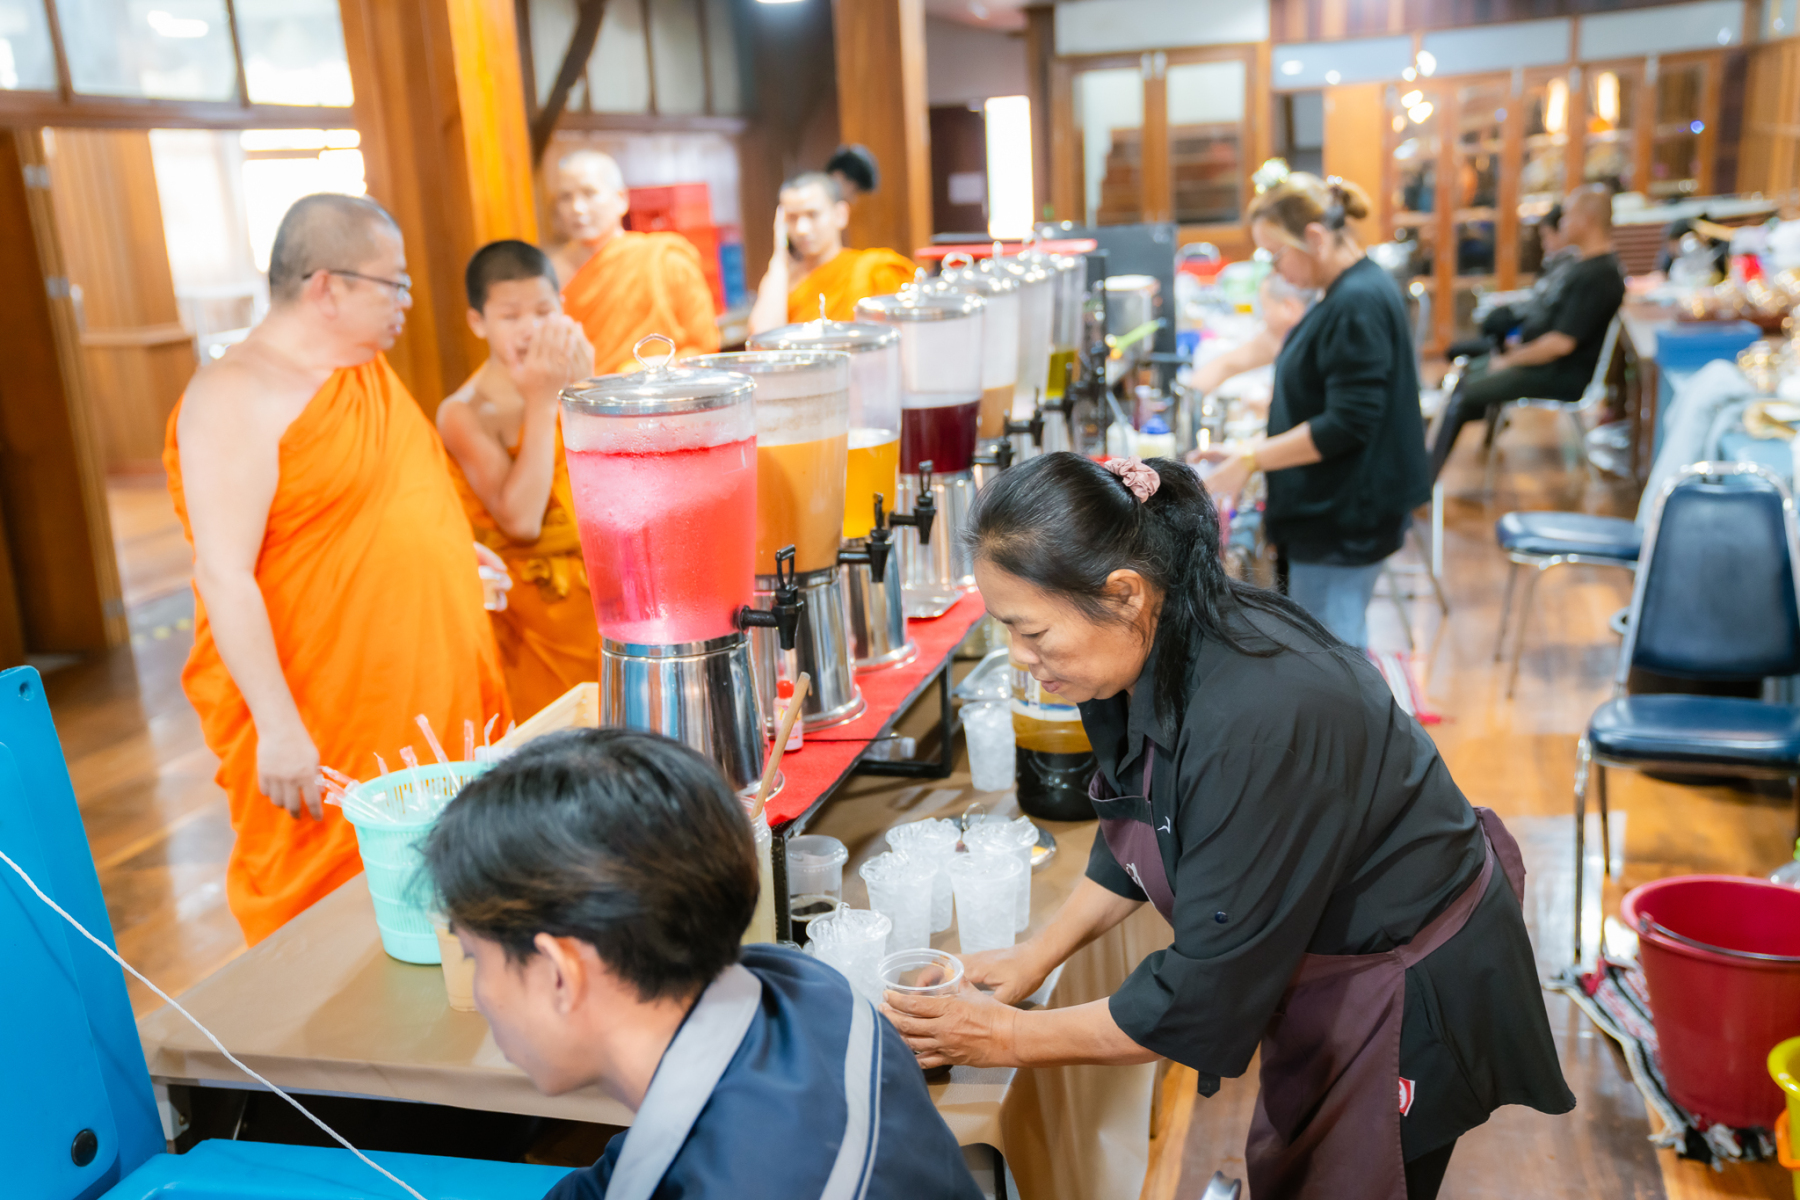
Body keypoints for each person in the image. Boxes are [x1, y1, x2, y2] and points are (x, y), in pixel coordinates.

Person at [889, 453, 1575, 1200]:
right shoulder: (1147, 643)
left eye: (1032, 632)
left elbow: (1198, 996)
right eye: (1006, 631)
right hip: (1328, 952)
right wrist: (1035, 955)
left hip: (1409, 979)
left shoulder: (1257, 718)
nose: (1022, 660)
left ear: (1123, 592)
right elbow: (1138, 826)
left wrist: (1003, 1036)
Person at [421, 728, 984, 1200]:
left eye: (477, 959)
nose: (482, 994)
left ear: (559, 973)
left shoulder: (740, 1181)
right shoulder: (805, 986)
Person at [165, 193, 511, 944]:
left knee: (456, 888)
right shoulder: (237, 393)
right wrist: (279, 730)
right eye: (394, 283)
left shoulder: (360, 373)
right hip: (323, 708)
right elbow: (224, 574)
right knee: (340, 923)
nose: (407, 301)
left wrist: (450, 555)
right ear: (326, 286)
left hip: (424, 684)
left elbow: (377, 502)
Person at [1196, 174, 1431, 648]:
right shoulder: (1348, 289)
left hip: (1343, 517)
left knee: (1332, 659)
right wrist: (1248, 451)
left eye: (1276, 255)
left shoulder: (1356, 301)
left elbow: (1346, 423)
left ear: (1315, 238)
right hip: (1342, 509)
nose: (1277, 271)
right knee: (1331, 652)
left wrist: (1252, 459)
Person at [438, 241, 597, 721]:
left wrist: (585, 390)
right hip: (530, 617)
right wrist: (543, 402)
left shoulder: (574, 376)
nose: (530, 329)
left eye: (544, 311)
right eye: (510, 316)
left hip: (598, 589)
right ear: (478, 322)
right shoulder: (464, 412)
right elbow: (522, 521)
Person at [1427, 185, 1625, 479]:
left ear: (1587, 220)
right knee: (1462, 377)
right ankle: (1425, 462)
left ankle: (1424, 479)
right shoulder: (1581, 265)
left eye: (1568, 216)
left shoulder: (1600, 275)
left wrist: (1511, 359)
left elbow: (1560, 344)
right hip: (1543, 362)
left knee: (1463, 393)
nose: (1563, 223)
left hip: (1560, 374)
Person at [549, 150, 720, 373]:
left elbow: (705, 348)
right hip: (580, 393)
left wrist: (654, 368)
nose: (577, 208)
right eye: (565, 197)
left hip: (654, 390)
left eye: (589, 193)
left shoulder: (665, 260)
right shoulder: (548, 274)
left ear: (621, 199)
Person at [746, 172, 915, 335]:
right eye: (792, 218)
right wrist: (779, 258)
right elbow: (762, 343)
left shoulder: (874, 271)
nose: (801, 229)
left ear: (840, 214)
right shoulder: (780, 279)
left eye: (813, 214)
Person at [1443, 203, 1578, 360]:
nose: (1543, 244)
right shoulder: (1556, 264)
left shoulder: (1570, 269)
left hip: (1532, 339)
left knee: (1492, 325)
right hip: (1528, 334)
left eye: (1546, 236)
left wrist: (1515, 350)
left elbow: (1549, 322)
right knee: (1491, 322)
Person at [1186, 272, 1313, 403]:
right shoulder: (1276, 340)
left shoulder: (1313, 349)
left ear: (1288, 307)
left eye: (1265, 308)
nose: (1264, 318)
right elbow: (1225, 366)